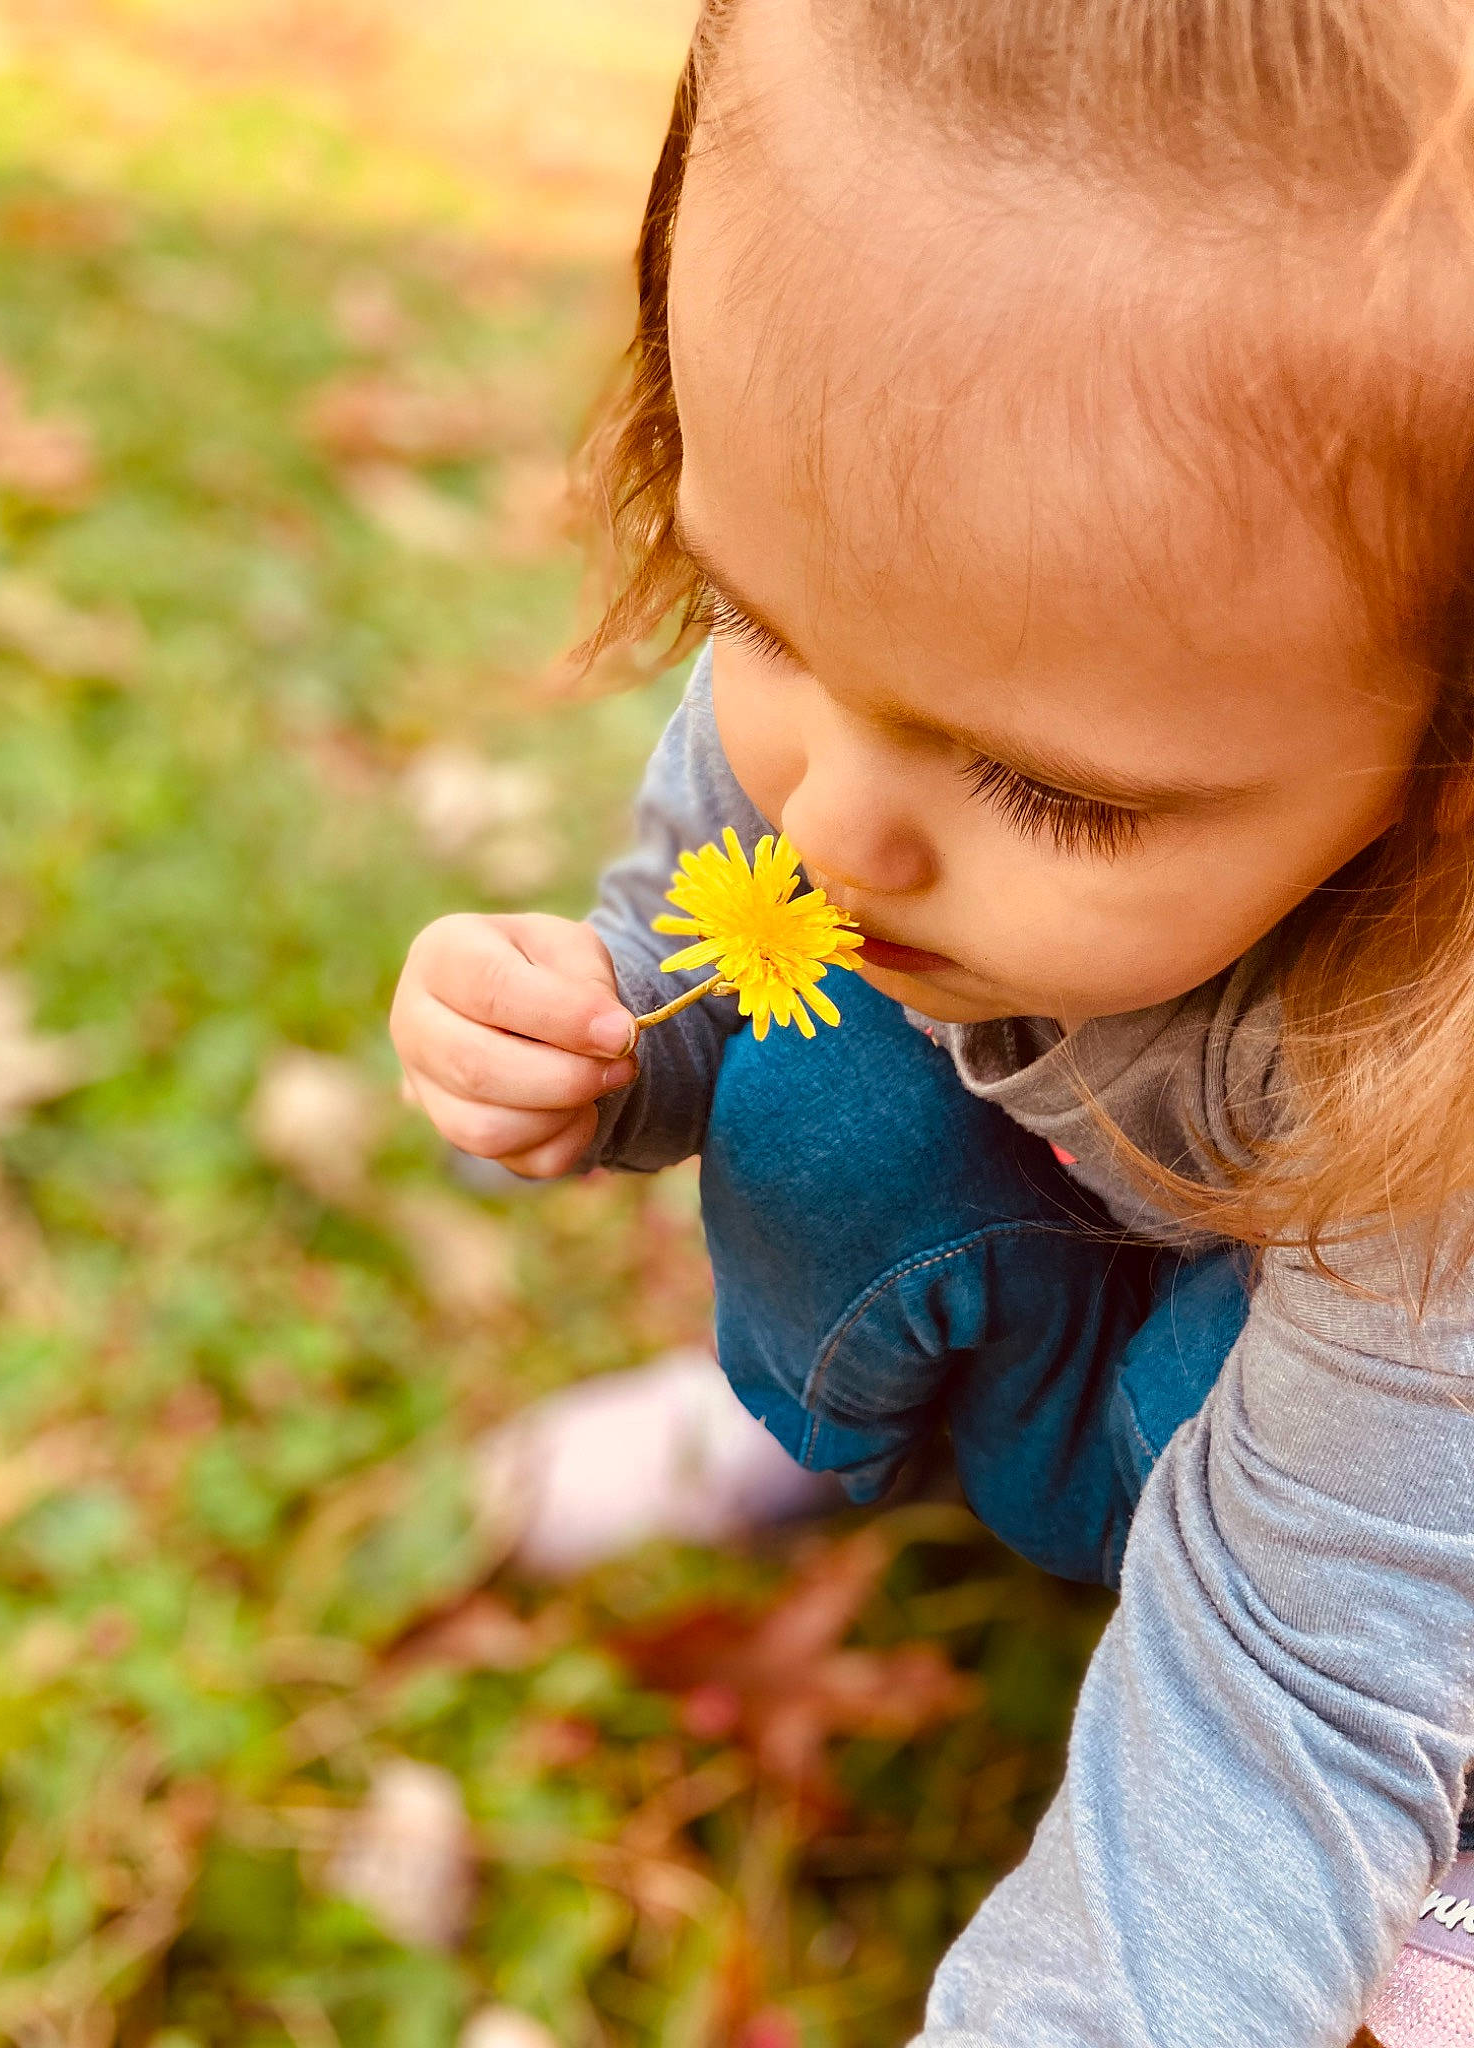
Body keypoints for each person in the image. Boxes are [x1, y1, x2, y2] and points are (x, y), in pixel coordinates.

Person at [389, 2, 1474, 2041]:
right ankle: (877, 1408)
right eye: (766, 623)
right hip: (1167, 1270)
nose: (837, 822)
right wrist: (582, 1029)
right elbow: (687, 955)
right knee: (831, 1104)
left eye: (1047, 783)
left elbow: (1290, 1682)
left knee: (1379, 1659)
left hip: (1417, 1488)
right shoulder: (884, 709)